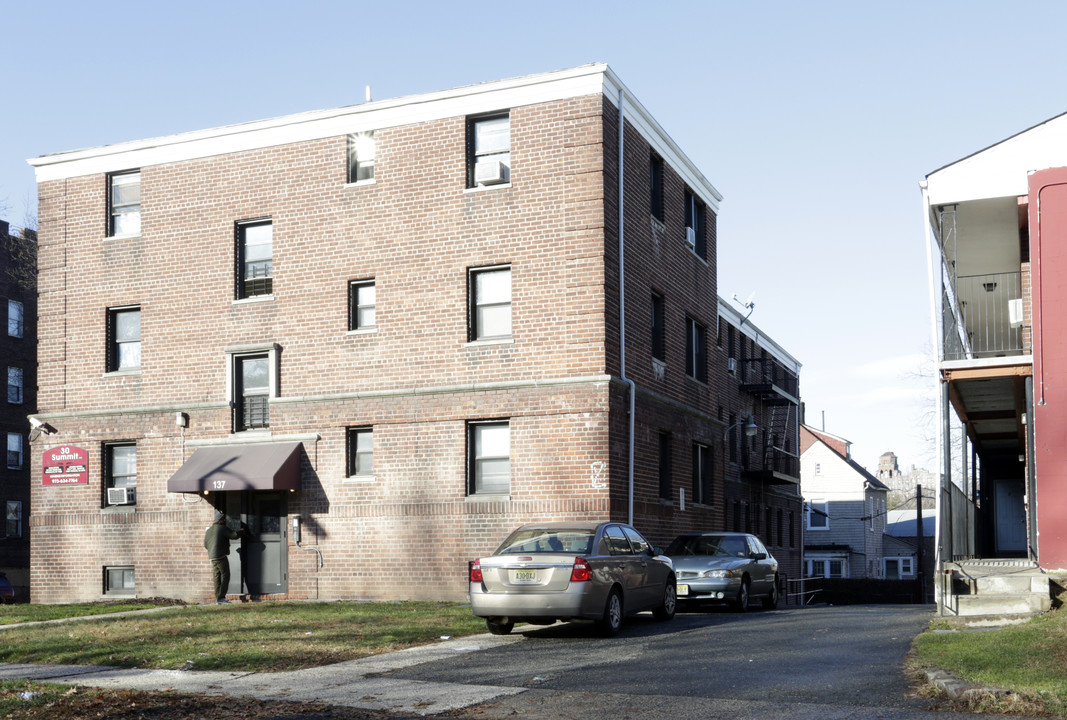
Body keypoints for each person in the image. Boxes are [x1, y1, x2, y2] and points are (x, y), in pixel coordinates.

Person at [204, 513, 244, 604]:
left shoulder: (209, 530)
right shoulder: (222, 528)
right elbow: (234, 535)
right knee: (226, 575)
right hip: (221, 556)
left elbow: (205, 545)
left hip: (212, 557)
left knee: (217, 576)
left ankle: (218, 597)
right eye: (224, 519)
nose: (225, 521)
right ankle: (221, 597)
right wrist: (242, 531)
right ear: (221, 520)